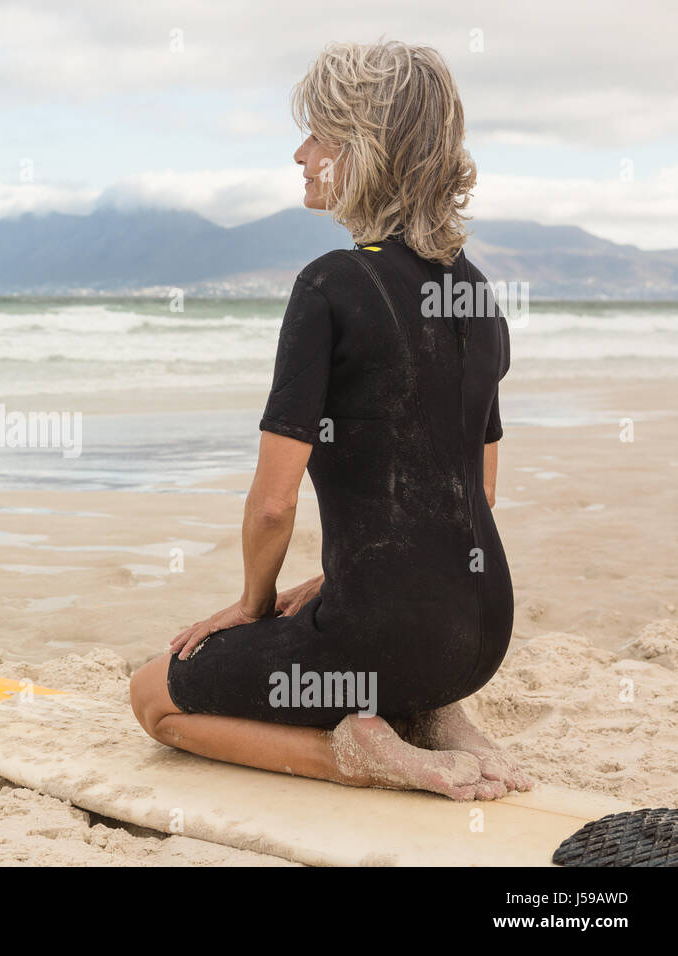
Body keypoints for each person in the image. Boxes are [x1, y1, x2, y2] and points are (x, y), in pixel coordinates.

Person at [128, 40, 532, 800]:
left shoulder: (329, 286)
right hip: (483, 634)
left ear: (365, 150)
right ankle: (431, 716)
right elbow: (475, 491)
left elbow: (273, 503)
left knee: (154, 696)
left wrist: (252, 605)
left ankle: (354, 755)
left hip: (380, 638)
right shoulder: (474, 291)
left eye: (320, 136)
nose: (301, 153)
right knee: (369, 635)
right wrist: (331, 579)